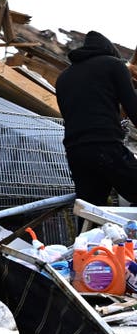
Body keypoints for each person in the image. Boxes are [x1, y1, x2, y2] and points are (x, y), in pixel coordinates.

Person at [54, 30, 137, 205]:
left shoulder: (63, 78)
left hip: (75, 153)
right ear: (110, 51)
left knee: (89, 212)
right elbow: (133, 108)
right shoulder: (114, 65)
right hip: (106, 147)